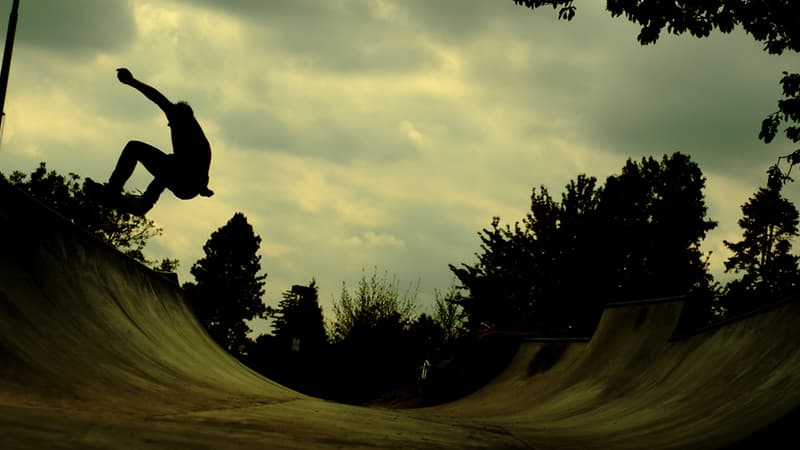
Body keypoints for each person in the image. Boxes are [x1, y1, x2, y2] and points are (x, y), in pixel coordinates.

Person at [88, 68, 213, 215]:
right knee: (152, 155)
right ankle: (124, 195)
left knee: (162, 159)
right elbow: (155, 96)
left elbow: (201, 171)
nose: (169, 125)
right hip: (181, 176)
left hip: (188, 186)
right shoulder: (177, 115)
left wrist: (203, 188)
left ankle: (135, 200)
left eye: (171, 124)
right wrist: (131, 81)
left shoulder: (200, 143)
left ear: (180, 122)